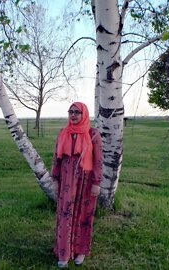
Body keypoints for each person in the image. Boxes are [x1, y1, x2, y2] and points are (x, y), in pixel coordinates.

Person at [51, 102, 103, 268]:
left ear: (84, 114)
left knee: (83, 215)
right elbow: (56, 159)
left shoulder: (93, 134)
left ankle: (80, 251)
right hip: (67, 181)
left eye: (77, 112)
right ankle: (64, 253)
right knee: (65, 214)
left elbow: (98, 161)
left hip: (86, 182)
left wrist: (96, 182)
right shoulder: (63, 133)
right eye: (70, 112)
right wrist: (55, 180)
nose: (73, 115)